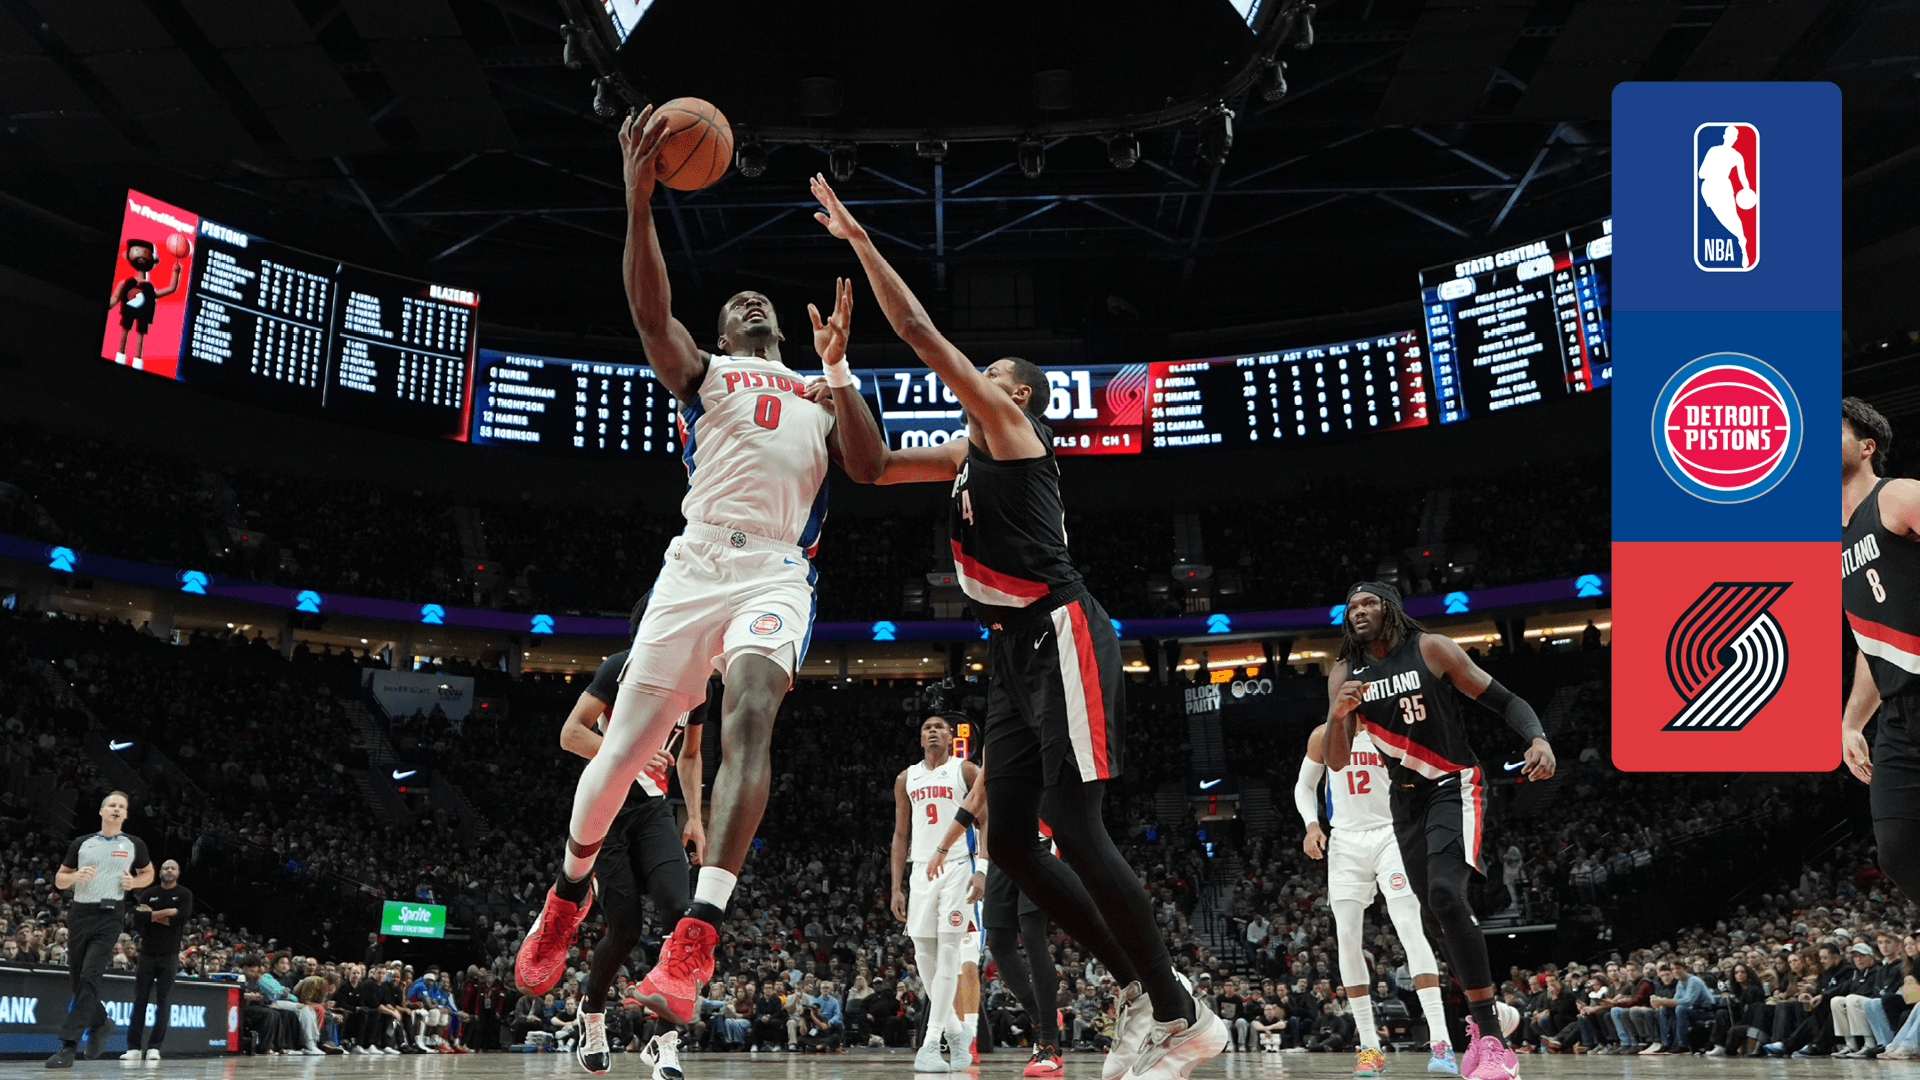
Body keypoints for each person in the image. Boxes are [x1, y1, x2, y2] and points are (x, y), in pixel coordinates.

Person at [810, 174, 1223, 1080]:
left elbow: (919, 332)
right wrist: (837, 374)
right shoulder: (967, 453)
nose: (981, 380)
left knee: (1074, 827)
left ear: (1020, 397)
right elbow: (869, 466)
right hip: (1008, 652)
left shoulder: (1009, 432)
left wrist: (861, 242)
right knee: (1009, 846)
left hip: (1062, 628)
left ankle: (1184, 1016)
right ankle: (1142, 992)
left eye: (994, 374)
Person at [516, 106, 881, 1034]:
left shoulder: (822, 387)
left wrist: (843, 372)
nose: (752, 304)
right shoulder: (707, 373)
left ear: (785, 330)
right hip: (694, 563)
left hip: (776, 572)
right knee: (621, 757)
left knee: (750, 711)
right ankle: (566, 894)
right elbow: (650, 312)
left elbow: (870, 463)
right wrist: (640, 199)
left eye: (762, 303)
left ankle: (698, 935)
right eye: (736, 303)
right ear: (721, 329)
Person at [1323, 581, 1555, 1080]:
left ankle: (1492, 1042)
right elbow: (1336, 761)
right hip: (1403, 801)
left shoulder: (1430, 648)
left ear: (1390, 609)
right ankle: (1495, 1016)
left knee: (1446, 895)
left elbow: (1504, 698)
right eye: (1351, 606)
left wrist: (1537, 737)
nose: (1359, 611)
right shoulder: (1344, 671)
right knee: (1433, 920)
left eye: (1368, 603)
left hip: (1453, 784)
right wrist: (1338, 714)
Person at [560, 595, 708, 1078]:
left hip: (654, 811)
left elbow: (690, 755)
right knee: (624, 930)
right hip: (609, 808)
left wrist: (695, 817)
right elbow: (571, 734)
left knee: (680, 916)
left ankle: (663, 1041)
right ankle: (592, 1013)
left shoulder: (697, 683)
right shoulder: (619, 667)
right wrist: (631, 755)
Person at [1297, 719, 1456, 1076]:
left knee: (1409, 928)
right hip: (1345, 840)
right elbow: (1304, 785)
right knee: (1346, 938)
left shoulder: (1391, 729)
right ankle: (1369, 1046)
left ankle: (1441, 1040)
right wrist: (1311, 824)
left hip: (1391, 834)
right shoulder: (1322, 734)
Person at [928, 744, 1071, 1076]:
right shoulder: (993, 746)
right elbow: (975, 800)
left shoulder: (1038, 735)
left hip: (1038, 840)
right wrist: (943, 847)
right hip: (1001, 850)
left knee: (1032, 934)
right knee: (999, 941)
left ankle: (1049, 1044)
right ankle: (1041, 1016)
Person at [1841, 397, 1920, 901]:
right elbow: (1872, 642)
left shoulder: (1899, 496)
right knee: (1898, 853)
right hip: (1898, 716)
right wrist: (1851, 723)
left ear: (1867, 446)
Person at [892, 713, 985, 1072]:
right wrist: (896, 886)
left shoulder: (966, 771)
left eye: (939, 728)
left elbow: (986, 820)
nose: (933, 731)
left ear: (951, 738)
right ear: (921, 739)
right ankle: (957, 1032)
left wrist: (982, 868)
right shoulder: (906, 778)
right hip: (920, 871)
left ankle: (931, 1043)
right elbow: (900, 834)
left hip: (958, 867)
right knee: (923, 956)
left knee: (948, 951)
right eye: (927, 728)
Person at [46, 791, 154, 1069]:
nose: (116, 809)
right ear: (102, 811)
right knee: (78, 982)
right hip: (80, 913)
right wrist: (74, 876)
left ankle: (68, 1046)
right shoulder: (82, 843)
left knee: (91, 974)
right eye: (112, 805)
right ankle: (101, 1022)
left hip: (110, 914)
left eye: (121, 806)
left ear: (125, 814)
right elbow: (59, 879)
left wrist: (134, 882)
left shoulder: (134, 844)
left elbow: (148, 873)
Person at [123, 857, 193, 1061]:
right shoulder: (148, 893)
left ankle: (154, 1047)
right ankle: (133, 1047)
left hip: (169, 954)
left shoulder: (184, 894)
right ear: (160, 871)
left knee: (164, 1001)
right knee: (140, 1000)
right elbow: (138, 918)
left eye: (173, 868)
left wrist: (153, 915)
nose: (169, 870)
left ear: (178, 873)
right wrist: (168, 913)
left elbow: (181, 919)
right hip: (146, 953)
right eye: (165, 867)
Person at [108, 237, 183, 368]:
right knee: (126, 330)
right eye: (136, 251)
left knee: (139, 334)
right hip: (129, 311)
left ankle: (137, 360)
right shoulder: (127, 283)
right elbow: (115, 297)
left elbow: (171, 288)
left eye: (145, 253)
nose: (141, 255)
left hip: (143, 314)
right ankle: (120, 356)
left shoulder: (148, 288)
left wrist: (175, 272)